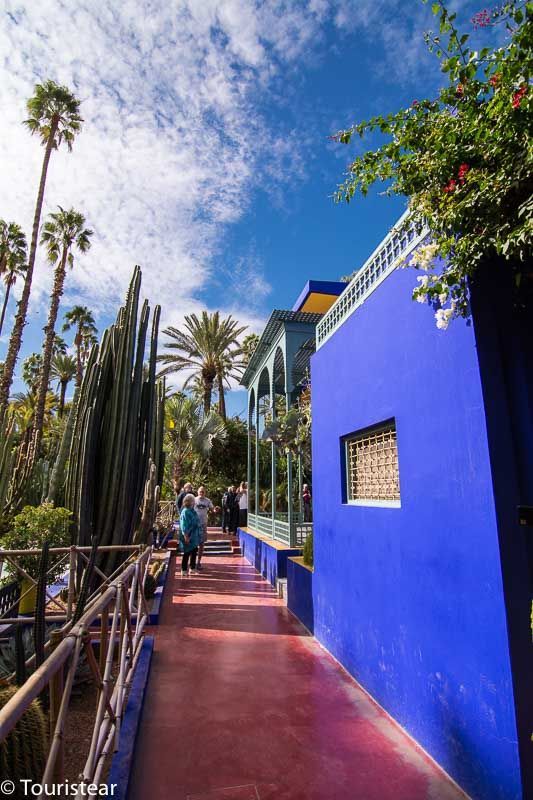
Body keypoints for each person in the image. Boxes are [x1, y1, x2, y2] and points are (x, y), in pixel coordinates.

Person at [179, 494, 201, 576]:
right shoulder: (185, 512)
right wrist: (186, 536)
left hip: (194, 536)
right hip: (188, 535)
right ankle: (184, 570)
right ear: (189, 502)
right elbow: (184, 525)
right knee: (186, 552)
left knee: (194, 551)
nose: (194, 502)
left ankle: (192, 568)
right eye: (193, 501)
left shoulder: (192, 510)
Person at [194, 486, 213, 570]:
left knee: (202, 543)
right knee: (194, 543)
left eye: (203, 492)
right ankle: (192, 562)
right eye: (200, 491)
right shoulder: (194, 500)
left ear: (205, 493)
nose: (201, 493)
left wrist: (215, 510)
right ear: (198, 492)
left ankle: (198, 562)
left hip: (203, 524)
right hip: (195, 524)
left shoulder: (207, 501)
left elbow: (212, 509)